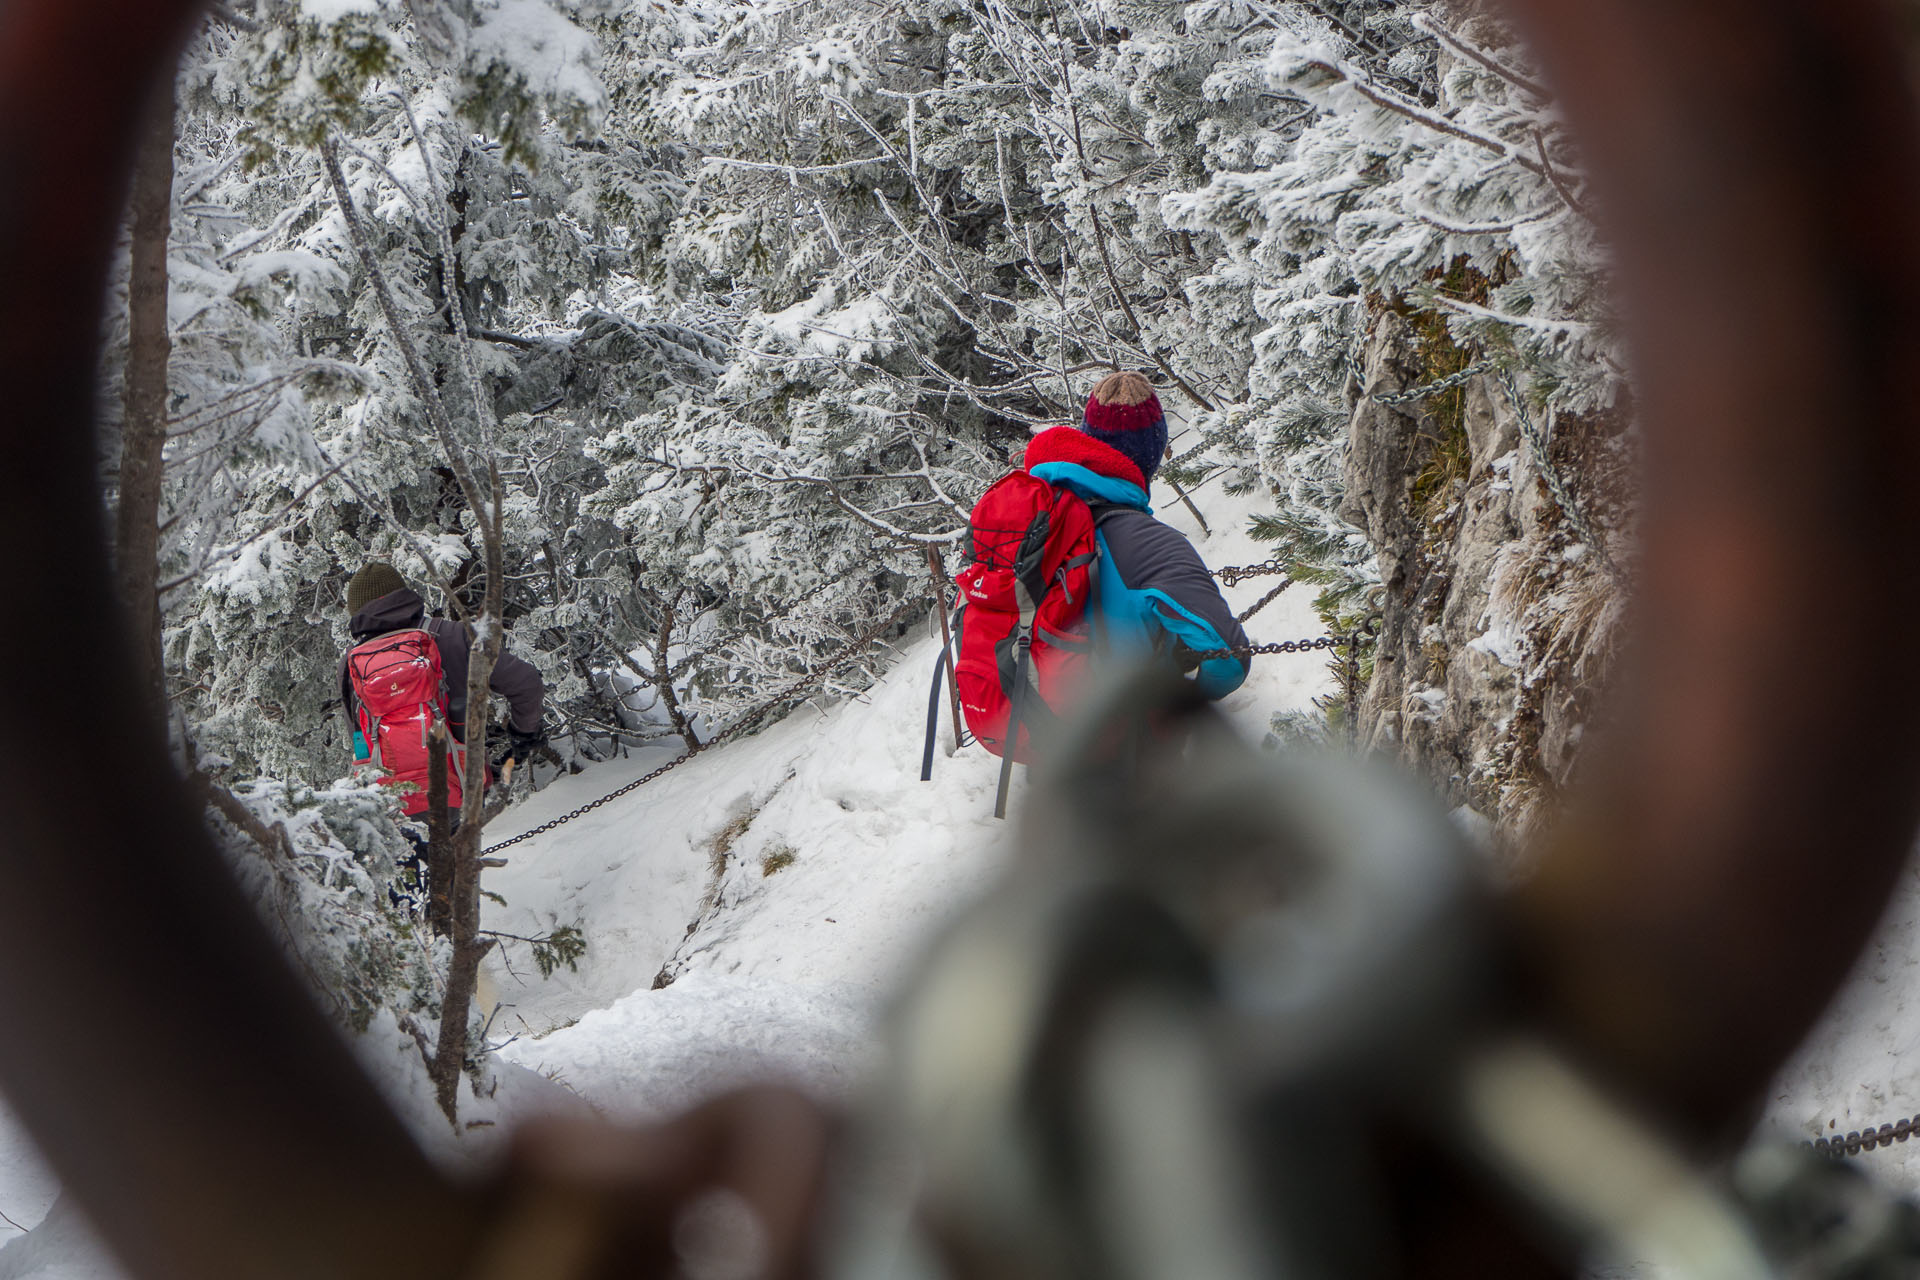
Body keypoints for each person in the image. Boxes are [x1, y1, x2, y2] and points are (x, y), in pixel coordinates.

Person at [1026, 371, 1252, 698]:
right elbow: (1231, 658)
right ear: (1153, 453)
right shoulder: (1153, 545)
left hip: (1031, 726)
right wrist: (1189, 704)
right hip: (1124, 737)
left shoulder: (1034, 516)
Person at [337, 563, 546, 897]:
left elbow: (360, 740)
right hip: (457, 793)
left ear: (356, 612)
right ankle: (452, 937)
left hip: (391, 804)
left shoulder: (351, 665)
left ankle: (416, 939)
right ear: (403, 596)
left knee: (404, 908)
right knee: (455, 896)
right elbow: (527, 683)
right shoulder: (451, 636)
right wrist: (523, 735)